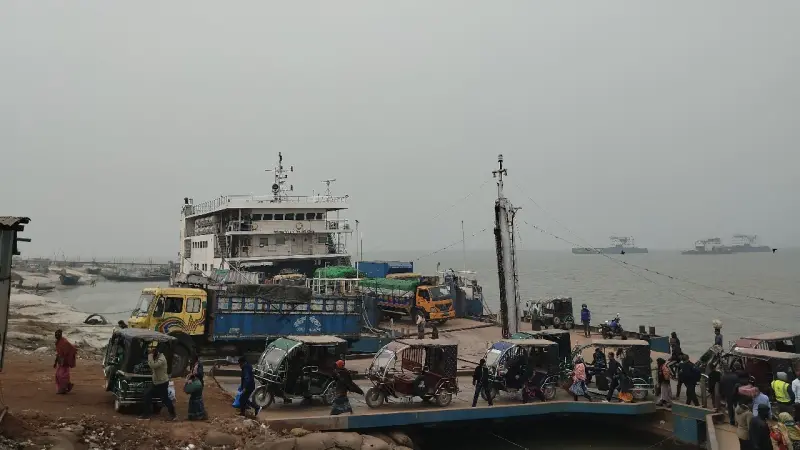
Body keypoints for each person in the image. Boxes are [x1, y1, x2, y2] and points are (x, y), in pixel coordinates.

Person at [140, 344, 176, 420]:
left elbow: (153, 365)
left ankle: (173, 414)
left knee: (165, 399)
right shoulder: (157, 357)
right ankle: (146, 414)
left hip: (162, 383)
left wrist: (150, 356)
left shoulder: (162, 359)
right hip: (156, 383)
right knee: (147, 395)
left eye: (153, 351)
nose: (151, 352)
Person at [54, 329, 76, 395]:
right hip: (61, 361)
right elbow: (58, 353)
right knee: (58, 375)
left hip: (65, 362)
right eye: (55, 335)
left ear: (60, 335)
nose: (56, 336)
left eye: (57, 335)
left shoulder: (65, 342)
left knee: (62, 375)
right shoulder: (58, 342)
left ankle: (63, 389)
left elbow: (71, 349)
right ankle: (67, 386)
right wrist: (55, 362)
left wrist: (68, 359)